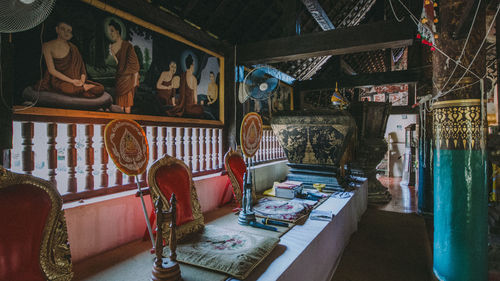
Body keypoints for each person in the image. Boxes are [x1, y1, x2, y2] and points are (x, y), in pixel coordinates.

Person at [37, 21, 104, 98]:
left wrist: (82, 81)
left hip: (77, 80)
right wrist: (72, 81)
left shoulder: (73, 48)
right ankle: (83, 89)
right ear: (57, 29)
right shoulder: (47, 46)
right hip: (60, 81)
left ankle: (82, 88)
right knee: (69, 89)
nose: (66, 32)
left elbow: (82, 69)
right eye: (63, 29)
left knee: (100, 88)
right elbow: (52, 70)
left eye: (69, 30)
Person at [108, 19, 140, 114]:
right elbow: (117, 63)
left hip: (128, 79)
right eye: (109, 31)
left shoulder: (128, 46)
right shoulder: (112, 47)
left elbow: (135, 65)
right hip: (120, 78)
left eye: (112, 31)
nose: (111, 33)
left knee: (127, 105)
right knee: (119, 105)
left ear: (118, 31)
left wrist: (134, 81)